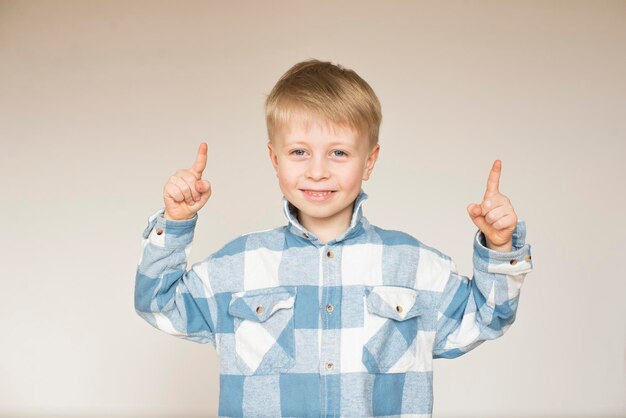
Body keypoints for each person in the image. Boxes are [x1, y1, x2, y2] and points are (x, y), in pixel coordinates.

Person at [135, 59, 533, 418]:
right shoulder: (236, 265)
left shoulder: (413, 265)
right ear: (275, 159)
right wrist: (175, 222)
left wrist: (499, 246)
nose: (318, 171)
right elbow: (158, 303)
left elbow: (487, 316)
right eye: (299, 152)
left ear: (370, 161)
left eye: (339, 153)